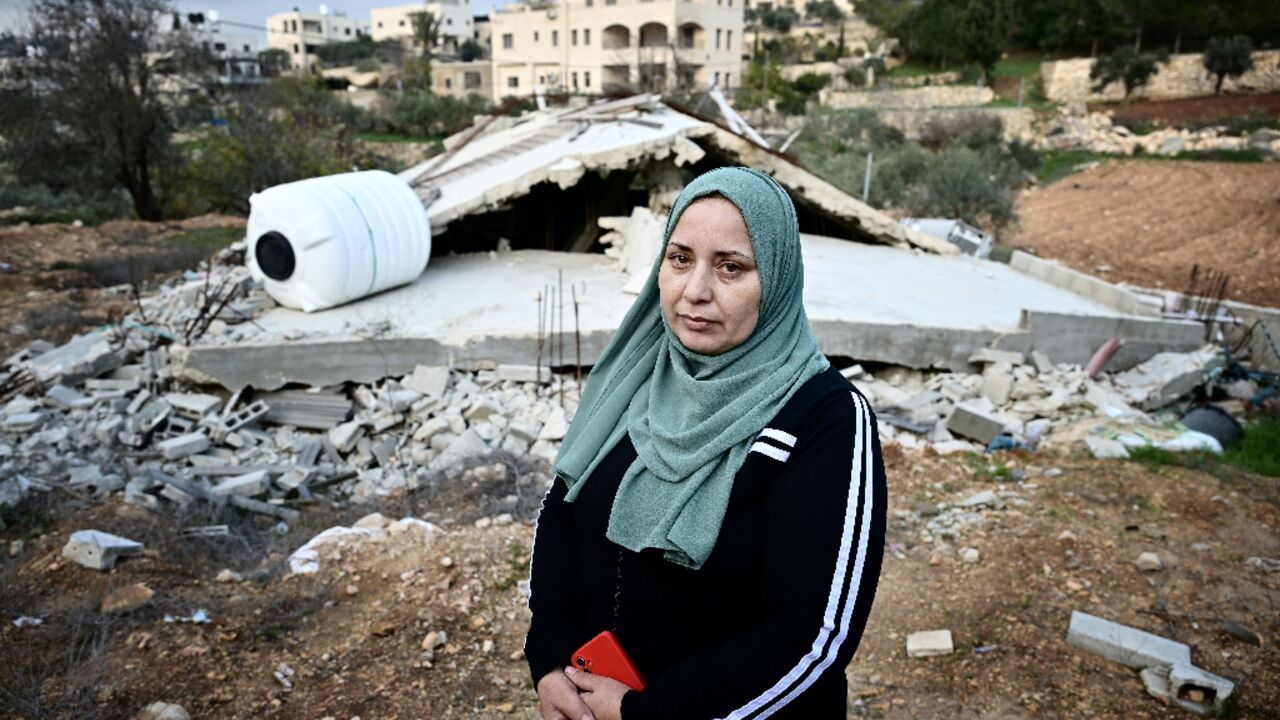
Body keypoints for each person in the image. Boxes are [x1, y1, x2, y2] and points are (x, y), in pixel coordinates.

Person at [524, 167, 887, 720]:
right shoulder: (635, 378)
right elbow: (561, 511)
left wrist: (648, 713)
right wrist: (550, 660)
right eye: (680, 259)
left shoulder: (825, 419)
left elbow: (813, 636)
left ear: (779, 279)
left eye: (732, 267)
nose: (696, 291)